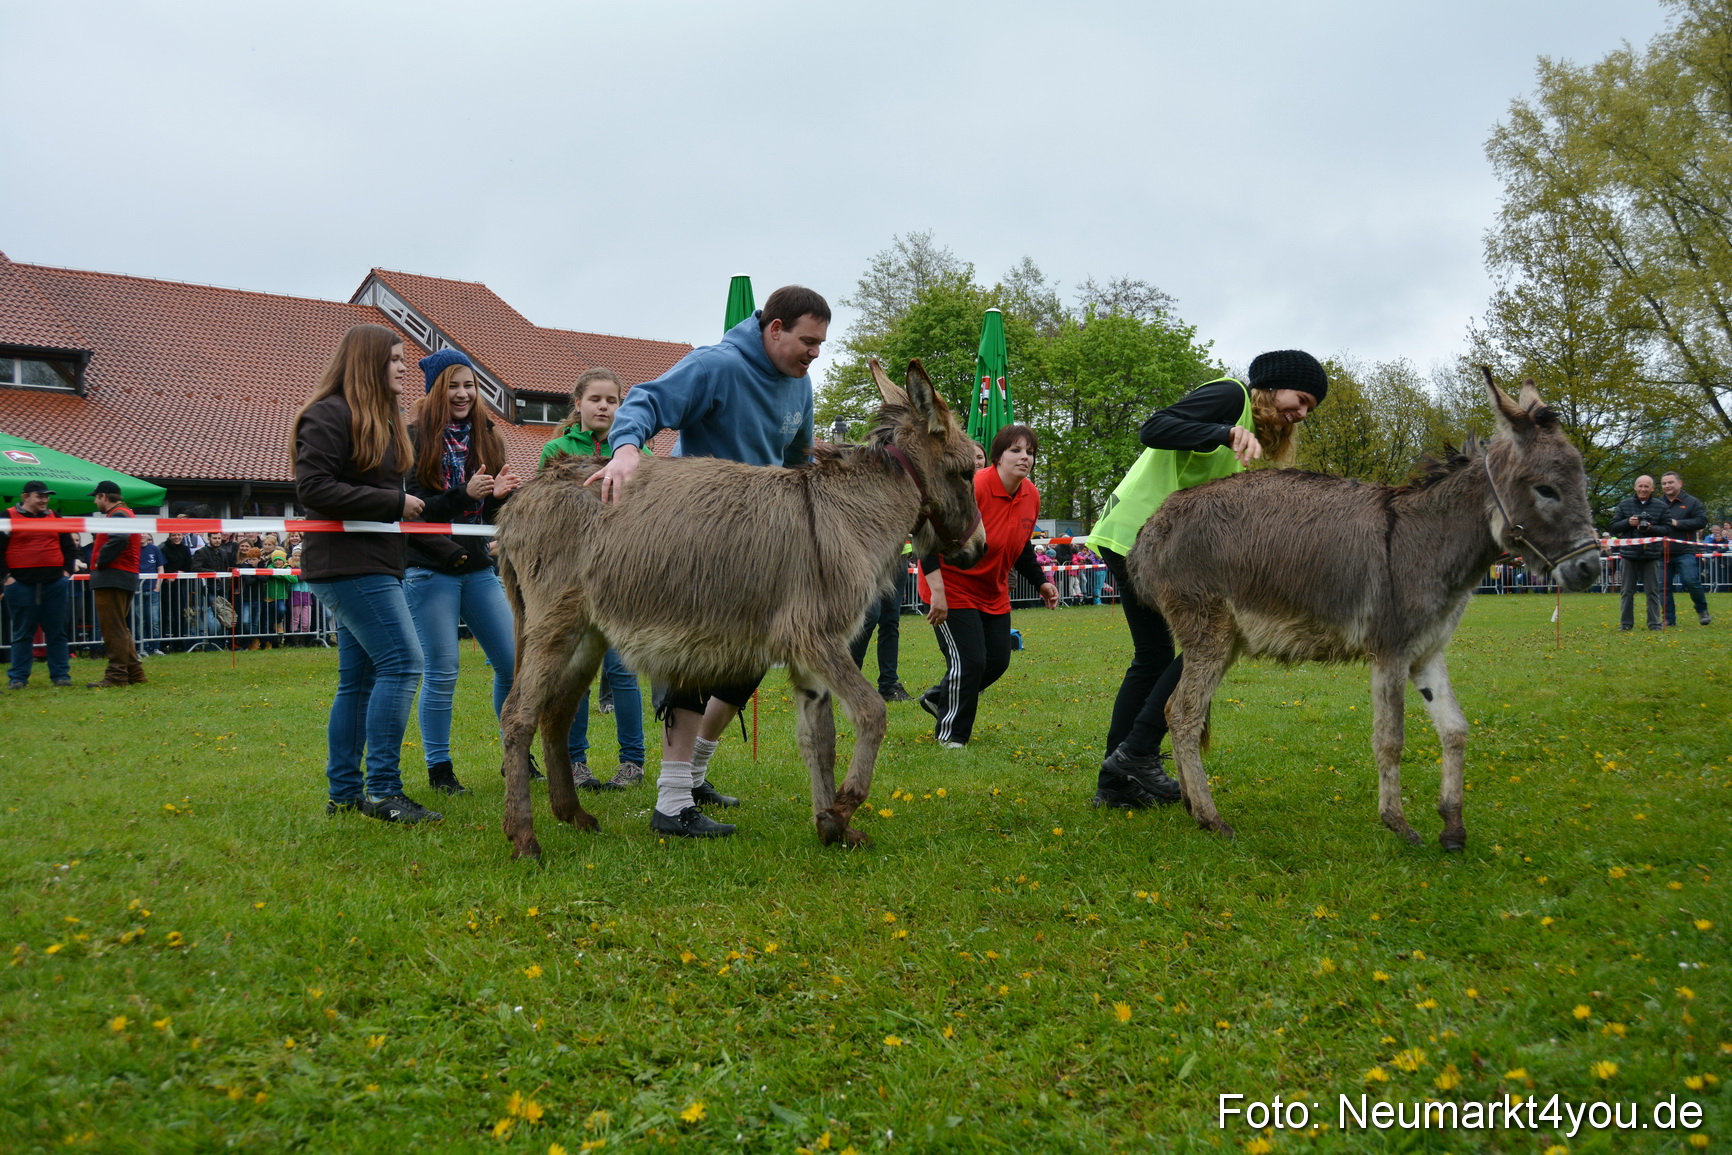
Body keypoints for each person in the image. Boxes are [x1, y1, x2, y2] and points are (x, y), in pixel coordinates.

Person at [585, 284, 826, 838]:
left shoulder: (800, 383)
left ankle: (693, 775)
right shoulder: (714, 366)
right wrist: (625, 450)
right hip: (698, 537)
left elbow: (797, 459)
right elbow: (645, 400)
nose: (814, 354)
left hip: (761, 542)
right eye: (807, 342)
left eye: (819, 345)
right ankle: (671, 805)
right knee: (694, 661)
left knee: (751, 659)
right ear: (774, 329)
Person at [1086, 350, 1327, 809]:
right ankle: (1135, 755)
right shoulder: (1229, 395)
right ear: (1274, 386)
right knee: (1205, 645)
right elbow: (1153, 428)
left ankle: (1117, 779)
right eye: (1301, 399)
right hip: (1138, 537)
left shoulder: (1247, 434)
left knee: (1154, 656)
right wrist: (1222, 431)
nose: (1301, 413)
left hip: (1150, 542)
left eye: (1309, 410)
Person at [293, 322, 437, 824]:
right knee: (403, 664)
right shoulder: (327, 414)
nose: (404, 368)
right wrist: (393, 502)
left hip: (376, 562)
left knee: (358, 681)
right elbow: (313, 489)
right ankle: (383, 790)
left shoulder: (381, 418)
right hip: (348, 565)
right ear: (369, 362)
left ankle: (345, 794)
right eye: (397, 359)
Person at [403, 348, 522, 796]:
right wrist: (463, 492)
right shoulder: (412, 437)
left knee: (513, 663)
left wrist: (500, 496)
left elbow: (483, 506)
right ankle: (440, 770)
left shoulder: (488, 436)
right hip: (430, 568)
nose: (462, 393)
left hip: (477, 567)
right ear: (435, 390)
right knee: (443, 669)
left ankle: (515, 754)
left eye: (468, 385)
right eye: (452, 385)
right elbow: (416, 509)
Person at [538, 367, 649, 790]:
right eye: (596, 399)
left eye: (612, 400)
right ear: (578, 404)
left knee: (623, 672)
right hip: (575, 580)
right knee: (576, 673)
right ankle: (576, 761)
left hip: (626, 581)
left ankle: (632, 761)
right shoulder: (557, 451)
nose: (604, 406)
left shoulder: (638, 453)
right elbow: (542, 510)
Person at [917, 424, 1059, 748]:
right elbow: (926, 538)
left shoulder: (1031, 495)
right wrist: (937, 593)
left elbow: (1021, 545)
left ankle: (939, 698)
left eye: (1030, 452)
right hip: (951, 586)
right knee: (969, 663)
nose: (1025, 458)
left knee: (997, 660)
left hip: (992, 591)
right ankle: (951, 737)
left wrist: (1041, 583)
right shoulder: (973, 488)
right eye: (1016, 450)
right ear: (996, 456)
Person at [3, 480, 76, 689]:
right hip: (20, 585)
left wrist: (65, 573)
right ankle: (18, 678)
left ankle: (61, 676)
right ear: (25, 497)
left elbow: (69, 547)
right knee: (22, 633)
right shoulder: (7, 516)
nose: (44, 500)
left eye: (47, 496)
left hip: (54, 584)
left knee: (57, 632)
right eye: (40, 496)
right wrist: (6, 578)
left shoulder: (55, 516)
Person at [86, 480, 145, 689]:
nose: (95, 502)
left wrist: (100, 560)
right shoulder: (125, 513)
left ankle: (116, 675)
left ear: (103, 496)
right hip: (123, 575)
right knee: (121, 628)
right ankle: (135, 673)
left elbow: (119, 539)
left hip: (112, 575)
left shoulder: (118, 514)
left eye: (96, 497)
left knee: (113, 629)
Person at [849, 547, 913, 704]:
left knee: (890, 623)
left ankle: (889, 685)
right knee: (870, 616)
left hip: (899, 556)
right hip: (873, 556)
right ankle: (849, 678)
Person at [1609, 475, 1667, 631]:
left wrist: (1651, 527)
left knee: (1653, 591)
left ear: (1653, 488)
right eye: (1640, 486)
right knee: (1627, 591)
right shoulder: (1624, 505)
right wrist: (1628, 522)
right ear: (1635, 487)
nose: (1643, 489)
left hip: (1652, 555)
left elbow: (1668, 529)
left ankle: (1654, 623)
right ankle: (1626, 624)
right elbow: (1613, 527)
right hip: (1629, 555)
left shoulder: (1661, 506)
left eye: (1647, 486)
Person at [1658, 470, 1711, 627]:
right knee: (1663, 587)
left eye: (1670, 482)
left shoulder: (1692, 502)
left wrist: (1678, 523)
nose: (1667, 486)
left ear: (1679, 483)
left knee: (1691, 581)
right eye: (1664, 483)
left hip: (1684, 551)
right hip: (1663, 552)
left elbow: (1702, 521)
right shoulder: (1657, 503)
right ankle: (1668, 619)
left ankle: (1702, 610)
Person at [136, 532, 166, 657]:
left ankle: (155, 647)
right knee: (139, 621)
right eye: (139, 533)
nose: (142, 535)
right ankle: (140, 648)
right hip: (136, 591)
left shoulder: (154, 549)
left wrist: (158, 586)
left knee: (154, 620)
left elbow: (160, 569)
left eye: (144, 533)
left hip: (152, 590)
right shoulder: (132, 549)